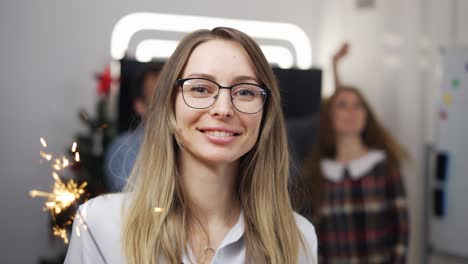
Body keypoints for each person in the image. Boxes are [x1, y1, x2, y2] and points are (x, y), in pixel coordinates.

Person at [65, 27, 318, 264]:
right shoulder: (100, 225)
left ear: (265, 113)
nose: (223, 109)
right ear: (169, 106)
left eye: (244, 92)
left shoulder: (298, 238)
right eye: (200, 88)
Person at [293, 43, 409, 263]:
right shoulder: (315, 173)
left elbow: (401, 230)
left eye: (358, 106)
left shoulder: (385, 166)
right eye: (342, 106)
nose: (351, 112)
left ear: (366, 115)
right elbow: (311, 236)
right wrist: (334, 66)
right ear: (329, 116)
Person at [104, 63, 162, 192]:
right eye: (157, 96)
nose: (167, 102)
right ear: (140, 106)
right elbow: (131, 201)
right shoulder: (123, 149)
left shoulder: (190, 142)